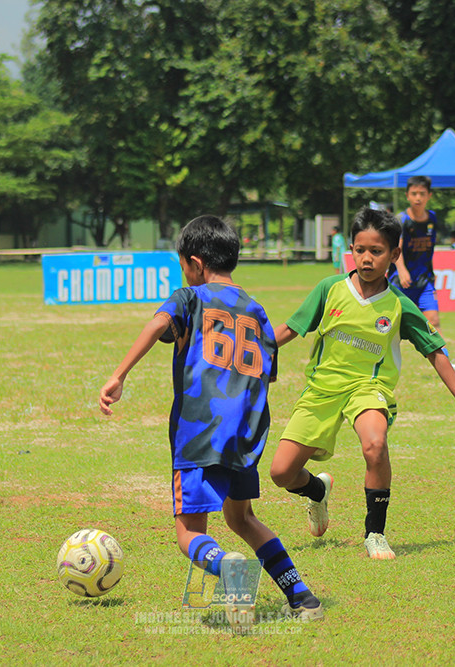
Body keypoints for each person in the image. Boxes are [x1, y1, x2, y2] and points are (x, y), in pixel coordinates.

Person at [98, 215, 323, 629]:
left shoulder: (189, 297)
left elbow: (159, 324)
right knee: (242, 519)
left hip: (199, 434)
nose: (183, 273)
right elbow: (265, 375)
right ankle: (301, 596)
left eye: (183, 265)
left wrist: (120, 374)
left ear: (196, 263)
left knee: (188, 533)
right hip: (246, 437)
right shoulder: (257, 312)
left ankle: (226, 567)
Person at [269, 207, 455, 561]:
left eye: (376, 251)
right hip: (322, 389)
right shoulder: (329, 289)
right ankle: (316, 490)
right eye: (359, 250)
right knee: (281, 472)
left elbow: (434, 351)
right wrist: (250, 347)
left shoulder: (399, 304)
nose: (367, 258)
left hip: (368, 389)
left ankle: (375, 533)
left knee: (375, 444)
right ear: (351, 250)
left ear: (395, 254)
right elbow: (289, 329)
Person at [389, 176, 455, 373]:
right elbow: (396, 249)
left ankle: (447, 364)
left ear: (429, 196)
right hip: (401, 281)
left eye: (422, 194)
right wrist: (402, 269)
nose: (418, 198)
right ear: (407, 196)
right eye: (414, 194)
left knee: (433, 321)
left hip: (424, 281)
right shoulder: (402, 220)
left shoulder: (432, 218)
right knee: (389, 325)